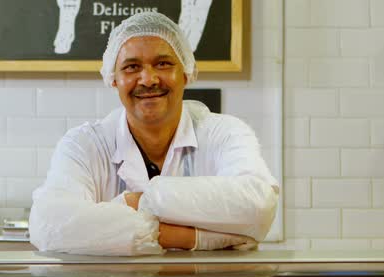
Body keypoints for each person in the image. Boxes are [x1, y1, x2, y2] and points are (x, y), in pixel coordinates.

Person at [30, 12, 279, 256]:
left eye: (163, 63)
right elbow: (48, 226)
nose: (148, 79)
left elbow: (258, 204)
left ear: (185, 73)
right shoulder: (84, 144)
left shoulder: (224, 133)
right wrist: (197, 238)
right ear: (113, 79)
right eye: (131, 67)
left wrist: (136, 202)